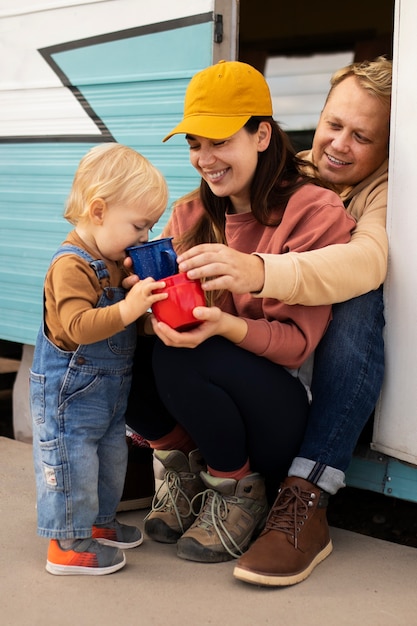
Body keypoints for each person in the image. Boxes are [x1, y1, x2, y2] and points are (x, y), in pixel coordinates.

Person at [126, 59, 355, 564]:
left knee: (191, 351)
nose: (204, 158)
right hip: (207, 405)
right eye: (194, 144)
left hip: (279, 413)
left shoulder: (315, 211)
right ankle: (183, 468)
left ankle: (239, 492)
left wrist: (225, 323)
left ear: (261, 135)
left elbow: (298, 342)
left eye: (219, 140)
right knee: (111, 339)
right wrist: (141, 303)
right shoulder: (190, 213)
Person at [174, 57, 392, 585]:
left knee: (359, 288)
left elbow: (367, 261)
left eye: (361, 136)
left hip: (327, 381)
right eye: (333, 124)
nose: (338, 144)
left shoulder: (391, 194)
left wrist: (257, 270)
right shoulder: (281, 172)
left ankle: (308, 494)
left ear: (391, 147)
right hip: (269, 367)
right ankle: (180, 459)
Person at [30, 143, 169, 575]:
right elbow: (78, 326)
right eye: (139, 226)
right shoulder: (71, 266)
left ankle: (99, 523)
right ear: (98, 211)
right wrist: (129, 307)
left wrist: (150, 318)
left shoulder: (111, 262)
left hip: (107, 395)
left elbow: (122, 326)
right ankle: (68, 545)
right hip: (68, 397)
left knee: (110, 460)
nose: (144, 238)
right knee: (73, 460)